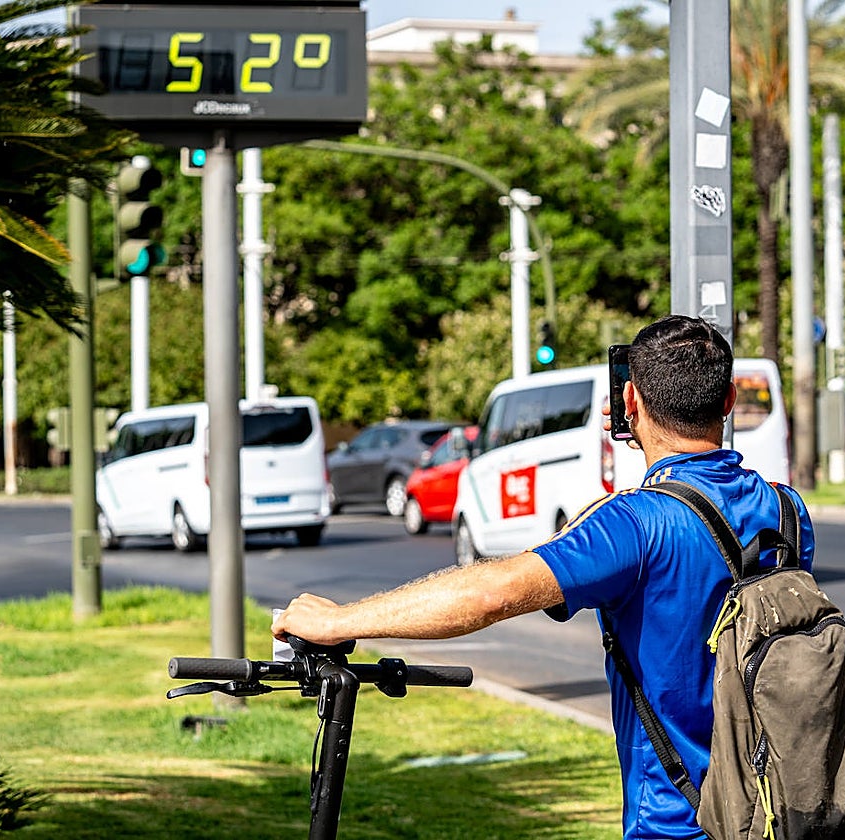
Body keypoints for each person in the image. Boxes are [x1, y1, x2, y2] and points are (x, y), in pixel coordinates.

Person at [272, 314, 815, 839]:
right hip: (776, 814)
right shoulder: (788, 513)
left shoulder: (631, 526)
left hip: (677, 823)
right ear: (728, 402)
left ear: (630, 402)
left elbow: (490, 594)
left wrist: (343, 619)